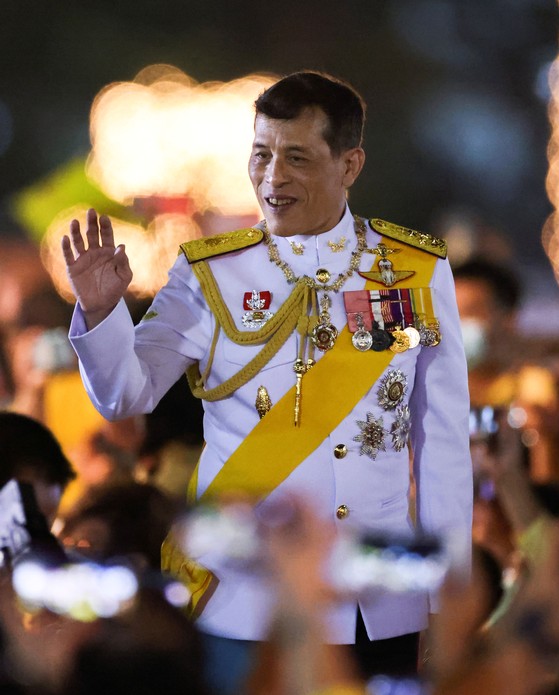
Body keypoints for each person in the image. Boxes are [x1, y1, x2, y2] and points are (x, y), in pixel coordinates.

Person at [61, 71, 472, 692]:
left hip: (377, 600)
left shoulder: (412, 271)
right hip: (242, 596)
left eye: (297, 157)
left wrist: (449, 602)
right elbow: (125, 395)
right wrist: (101, 313)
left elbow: (441, 447)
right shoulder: (209, 275)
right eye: (261, 154)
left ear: (350, 164)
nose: (272, 177)